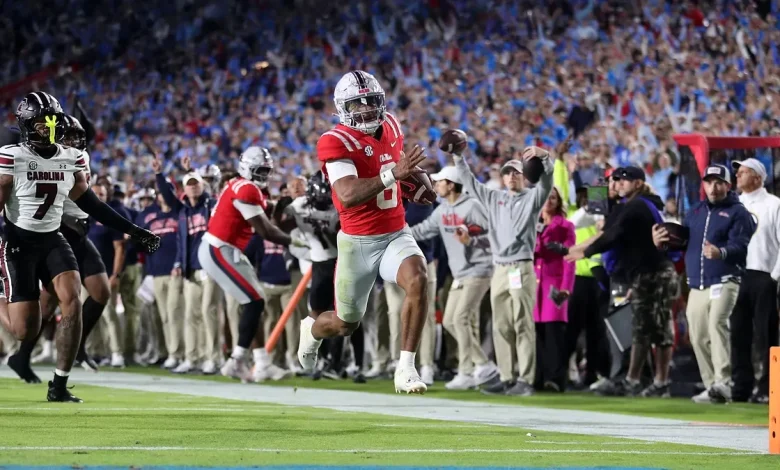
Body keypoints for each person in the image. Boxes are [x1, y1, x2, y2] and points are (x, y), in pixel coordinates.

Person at [0, 91, 159, 402]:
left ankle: (59, 385)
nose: (48, 129)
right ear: (26, 125)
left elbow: (92, 204)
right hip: (19, 241)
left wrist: (134, 230)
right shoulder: (11, 156)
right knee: (25, 331)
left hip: (52, 238)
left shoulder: (72, 157)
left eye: (52, 122)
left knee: (72, 299)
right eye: (41, 124)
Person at [296, 70, 431, 394]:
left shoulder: (393, 126)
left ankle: (406, 368)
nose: (367, 108)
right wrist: (393, 176)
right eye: (358, 104)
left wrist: (418, 181)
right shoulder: (335, 141)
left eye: (372, 101)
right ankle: (312, 330)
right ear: (344, 108)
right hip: (357, 242)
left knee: (418, 278)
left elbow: (400, 168)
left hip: (395, 231)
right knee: (346, 324)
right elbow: (346, 194)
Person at [449, 140, 565, 397]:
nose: (511, 176)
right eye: (507, 172)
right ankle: (505, 376)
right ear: (501, 178)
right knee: (500, 325)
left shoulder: (534, 198)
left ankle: (525, 379)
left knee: (523, 323)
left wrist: (545, 157)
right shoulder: (493, 197)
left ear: (524, 177)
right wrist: (458, 157)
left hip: (521, 268)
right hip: (500, 269)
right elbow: (469, 182)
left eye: (516, 172)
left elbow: (547, 180)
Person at [6, 115, 110, 379]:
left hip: (79, 232)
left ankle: (77, 345)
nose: (75, 139)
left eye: (78, 135)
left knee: (100, 291)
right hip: (58, 231)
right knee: (50, 301)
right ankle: (24, 354)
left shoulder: (78, 156)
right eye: (70, 135)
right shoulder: (47, 155)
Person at [566, 166, 677, 397]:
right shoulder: (630, 205)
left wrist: (584, 253)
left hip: (649, 273)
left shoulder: (636, 205)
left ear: (637, 183)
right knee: (650, 329)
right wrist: (578, 248)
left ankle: (634, 379)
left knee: (642, 330)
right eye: (615, 180)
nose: (617, 184)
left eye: (623, 180)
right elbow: (600, 226)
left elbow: (612, 234)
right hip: (641, 273)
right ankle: (654, 381)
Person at [199, 146, 304, 383]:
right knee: (255, 301)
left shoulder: (243, 186)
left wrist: (285, 206)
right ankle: (236, 360)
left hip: (226, 249)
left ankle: (262, 363)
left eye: (266, 170)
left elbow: (270, 216)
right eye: (259, 170)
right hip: (219, 248)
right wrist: (294, 242)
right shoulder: (246, 189)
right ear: (246, 168)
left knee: (254, 302)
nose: (263, 175)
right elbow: (266, 230)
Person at [652, 164, 755, 403]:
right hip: (697, 283)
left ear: (728, 186)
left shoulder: (738, 212)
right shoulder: (695, 212)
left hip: (726, 279)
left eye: (719, 182)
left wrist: (722, 252)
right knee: (697, 335)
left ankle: (724, 382)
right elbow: (682, 244)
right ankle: (712, 387)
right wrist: (662, 243)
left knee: (717, 324)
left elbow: (741, 246)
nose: (713, 187)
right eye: (709, 182)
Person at [409, 165, 498, 390]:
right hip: (460, 273)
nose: (436, 184)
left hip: (479, 269)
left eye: (440, 181)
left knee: (459, 319)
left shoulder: (473, 206)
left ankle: (478, 367)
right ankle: (474, 369)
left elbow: (493, 236)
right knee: (449, 320)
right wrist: (397, 232)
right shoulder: (441, 210)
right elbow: (423, 230)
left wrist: (471, 241)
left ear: (451, 184)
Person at [153, 159, 220, 374]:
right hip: (190, 269)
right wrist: (159, 175)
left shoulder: (209, 205)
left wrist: (190, 170)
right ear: (184, 188)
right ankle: (193, 358)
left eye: (196, 183)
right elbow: (168, 196)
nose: (193, 186)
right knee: (191, 315)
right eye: (189, 184)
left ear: (202, 186)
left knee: (208, 312)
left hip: (210, 266)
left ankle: (214, 357)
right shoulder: (182, 212)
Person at [730, 158, 780, 404]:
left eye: (743, 172)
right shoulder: (734, 204)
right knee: (738, 333)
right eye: (737, 172)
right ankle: (741, 386)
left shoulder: (774, 205)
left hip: (763, 274)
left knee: (766, 335)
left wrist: (774, 276)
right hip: (737, 275)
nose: (737, 176)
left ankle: (768, 387)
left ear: (758, 177)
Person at [533, 187, 576, 392]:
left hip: (554, 284)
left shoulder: (566, 226)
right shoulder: (532, 224)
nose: (548, 201)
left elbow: (569, 259)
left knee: (554, 334)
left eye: (553, 198)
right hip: (533, 284)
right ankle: (538, 377)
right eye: (546, 197)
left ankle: (556, 379)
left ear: (558, 202)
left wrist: (566, 287)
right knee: (536, 334)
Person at [136, 187, 184, 369]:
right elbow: (139, 242)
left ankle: (179, 352)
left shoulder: (180, 212)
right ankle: (170, 352)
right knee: (163, 316)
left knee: (175, 314)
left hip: (175, 270)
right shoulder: (151, 217)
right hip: (155, 271)